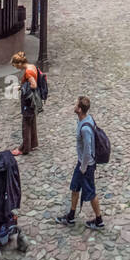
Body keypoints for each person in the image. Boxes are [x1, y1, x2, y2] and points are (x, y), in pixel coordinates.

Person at [57, 95, 104, 230]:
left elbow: (87, 150)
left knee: (91, 193)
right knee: (75, 187)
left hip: (86, 166)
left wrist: (83, 167)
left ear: (79, 109)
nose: (74, 105)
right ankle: (71, 216)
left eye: (75, 104)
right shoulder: (85, 120)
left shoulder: (85, 128)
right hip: (82, 164)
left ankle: (99, 220)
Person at [11, 51, 40, 155]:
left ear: (19, 64)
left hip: (28, 101)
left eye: (15, 66)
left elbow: (33, 85)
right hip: (33, 100)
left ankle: (24, 148)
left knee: (26, 124)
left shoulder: (28, 72)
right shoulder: (32, 66)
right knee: (32, 121)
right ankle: (33, 143)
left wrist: (21, 87)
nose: (16, 68)